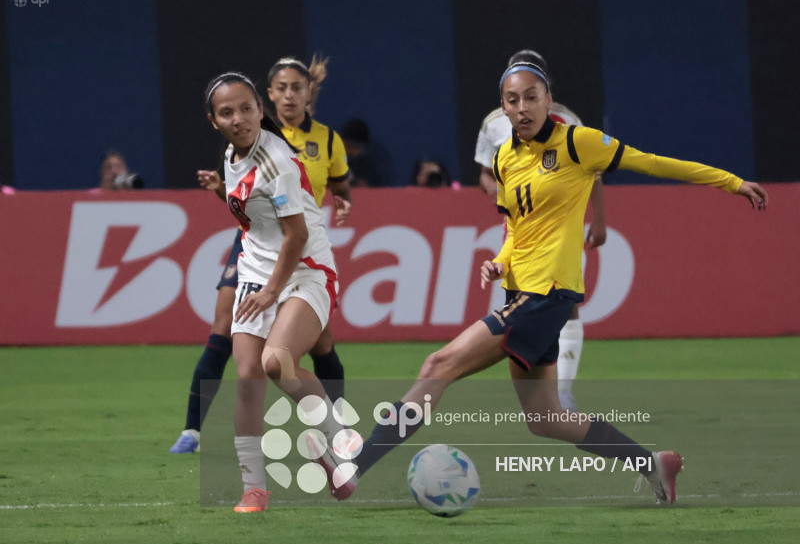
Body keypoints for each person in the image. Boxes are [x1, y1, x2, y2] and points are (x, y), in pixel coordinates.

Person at [316, 59, 768, 506]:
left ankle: (353, 470)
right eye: (513, 100)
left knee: (438, 366)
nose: (523, 107)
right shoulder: (505, 157)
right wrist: (500, 260)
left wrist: (730, 182)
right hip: (521, 291)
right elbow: (519, 228)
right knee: (546, 417)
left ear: (548, 99)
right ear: (503, 108)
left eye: (532, 97)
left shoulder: (577, 143)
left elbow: (651, 163)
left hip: (547, 294)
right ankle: (653, 465)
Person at [170, 56, 352, 455]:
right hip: (255, 244)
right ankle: (194, 432)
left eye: (296, 87)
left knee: (316, 348)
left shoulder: (313, 143)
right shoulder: (237, 148)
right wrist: (221, 189)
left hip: (299, 251)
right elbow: (246, 205)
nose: (289, 94)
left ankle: (337, 426)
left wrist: (342, 201)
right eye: (281, 87)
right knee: (231, 344)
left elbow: (326, 198)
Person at [475, 49, 605, 412]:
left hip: (560, 224)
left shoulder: (568, 121)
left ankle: (563, 390)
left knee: (564, 303)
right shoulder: (494, 123)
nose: (522, 102)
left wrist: (600, 219)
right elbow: (486, 173)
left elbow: (592, 172)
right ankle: (540, 391)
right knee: (517, 300)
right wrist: (502, 195)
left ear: (546, 89)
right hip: (520, 226)